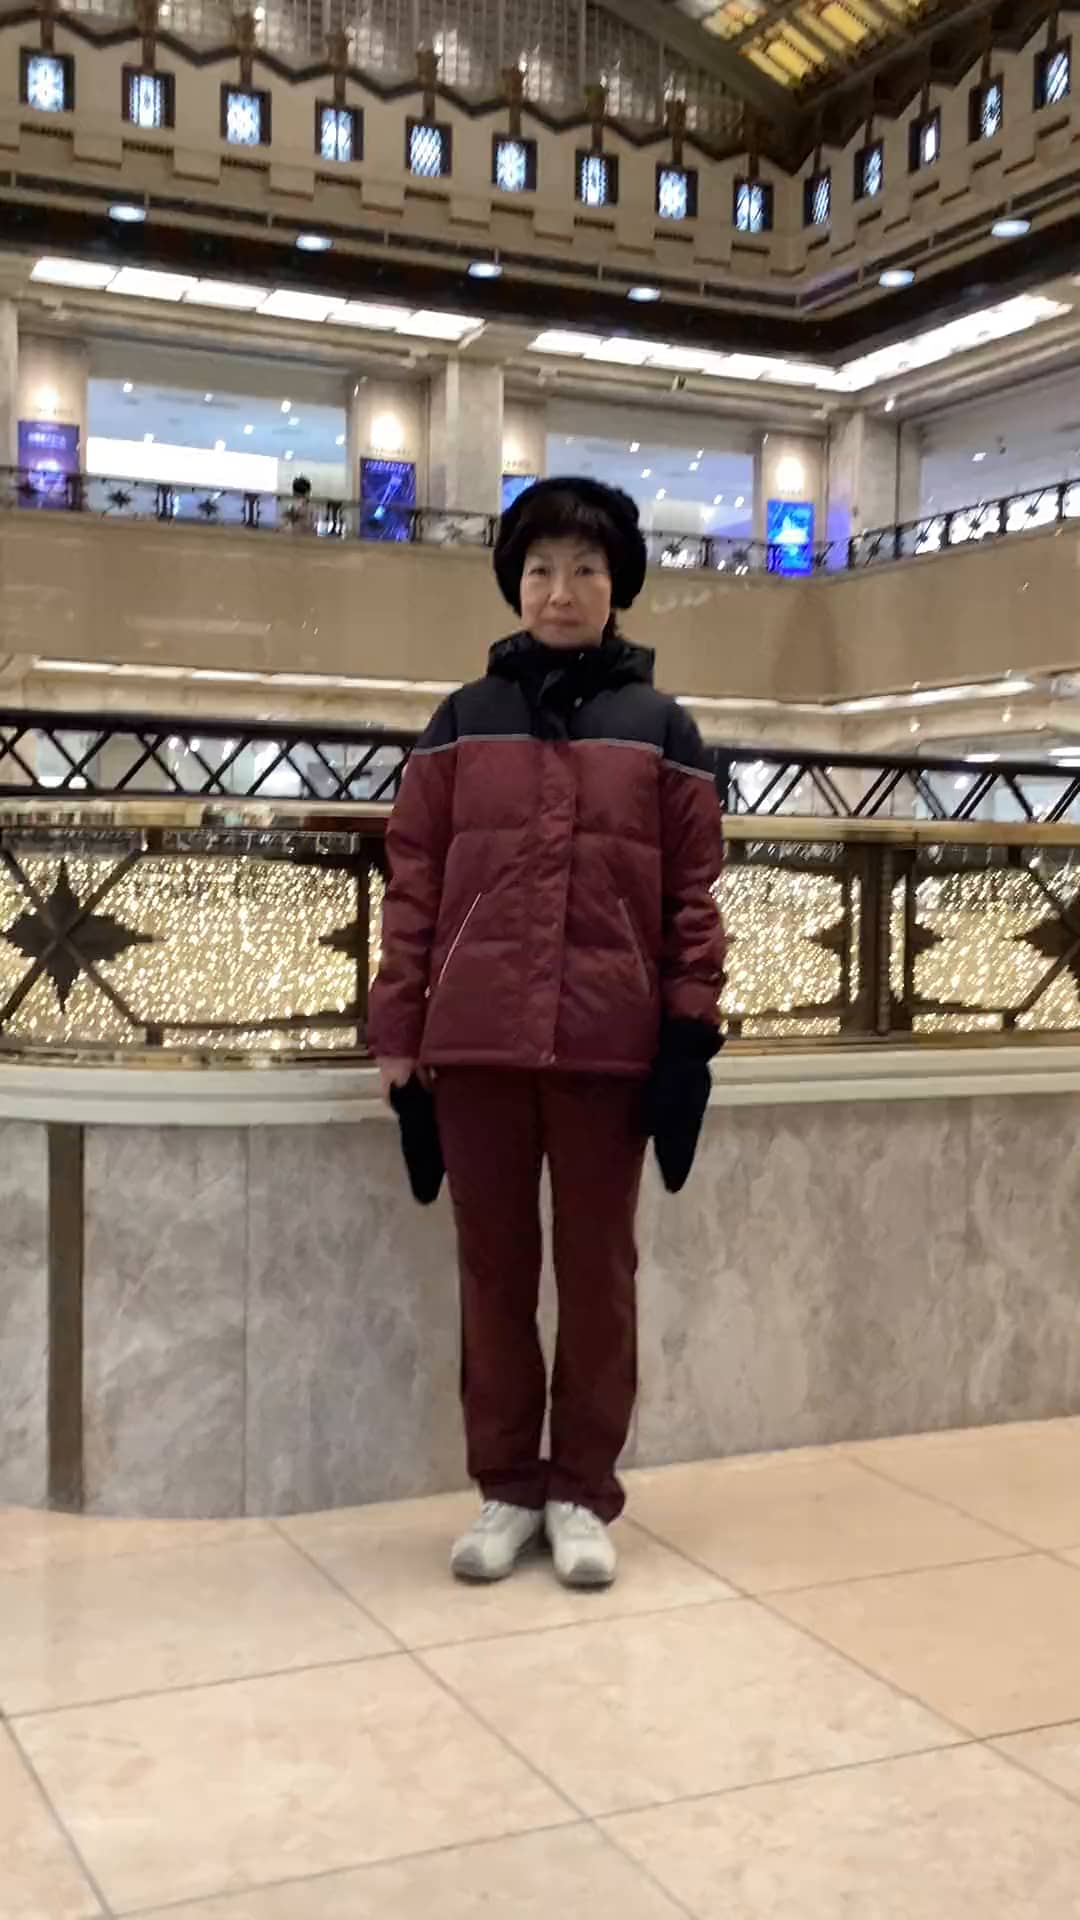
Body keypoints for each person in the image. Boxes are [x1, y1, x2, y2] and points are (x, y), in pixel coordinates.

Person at [369, 477, 725, 1590]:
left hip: (606, 1050)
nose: (560, 590)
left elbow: (694, 899)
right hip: (474, 1046)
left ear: (617, 587)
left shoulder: (663, 730)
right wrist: (398, 1037)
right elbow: (414, 884)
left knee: (598, 1276)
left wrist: (688, 1036)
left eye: (583, 570)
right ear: (513, 585)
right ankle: (507, 1490)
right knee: (493, 1276)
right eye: (539, 570)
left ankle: (581, 1491)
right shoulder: (461, 721)